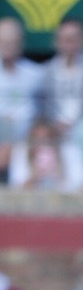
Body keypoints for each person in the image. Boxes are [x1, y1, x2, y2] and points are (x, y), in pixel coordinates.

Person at [34, 17, 83, 135]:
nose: (69, 43)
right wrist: (53, 126)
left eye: (74, 38)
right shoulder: (46, 71)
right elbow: (42, 107)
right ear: (56, 41)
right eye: (65, 39)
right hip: (55, 135)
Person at [0, 17, 41, 179]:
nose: (8, 46)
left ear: (21, 42)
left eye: (12, 41)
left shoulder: (35, 73)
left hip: (27, 143)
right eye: (3, 41)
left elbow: (41, 113)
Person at [8, 118, 83, 191]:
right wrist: (34, 177)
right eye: (37, 138)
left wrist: (59, 174)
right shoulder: (22, 150)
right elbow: (15, 185)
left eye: (46, 138)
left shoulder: (69, 150)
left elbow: (80, 184)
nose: (42, 142)